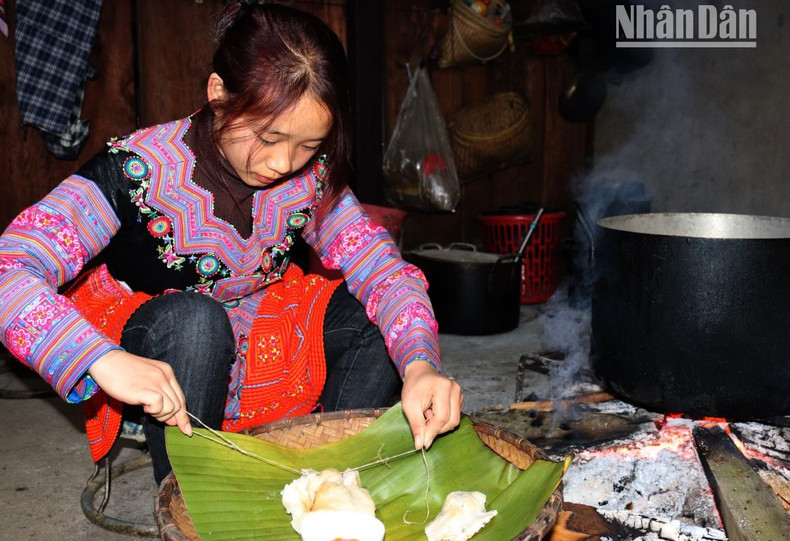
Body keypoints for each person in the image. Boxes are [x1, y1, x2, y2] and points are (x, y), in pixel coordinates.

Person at [0, 1, 463, 485]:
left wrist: (420, 364)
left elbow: (383, 271)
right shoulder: (135, 170)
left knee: (368, 315)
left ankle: (331, 484)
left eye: (309, 145)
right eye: (269, 136)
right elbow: (10, 268)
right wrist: (101, 359)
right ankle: (194, 503)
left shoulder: (309, 178)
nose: (285, 162)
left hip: (259, 338)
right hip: (153, 358)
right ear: (219, 93)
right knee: (197, 321)